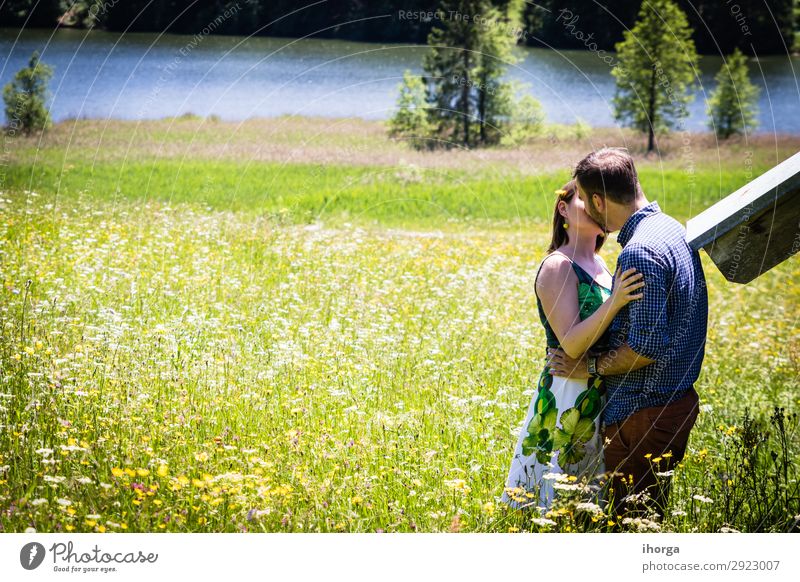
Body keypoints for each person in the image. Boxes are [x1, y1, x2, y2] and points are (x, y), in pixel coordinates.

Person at [547, 148, 708, 518]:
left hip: (643, 411)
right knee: (648, 515)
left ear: (600, 201)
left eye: (587, 201)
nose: (586, 209)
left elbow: (646, 347)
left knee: (629, 522)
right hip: (672, 400)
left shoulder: (639, 253)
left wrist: (589, 368)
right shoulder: (671, 228)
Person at [501, 179, 644, 511]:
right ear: (563, 209)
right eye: (584, 200)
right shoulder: (558, 266)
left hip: (596, 391)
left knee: (584, 500)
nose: (595, 206)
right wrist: (617, 300)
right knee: (550, 500)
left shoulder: (603, 266)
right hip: (566, 392)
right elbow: (572, 344)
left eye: (599, 200)